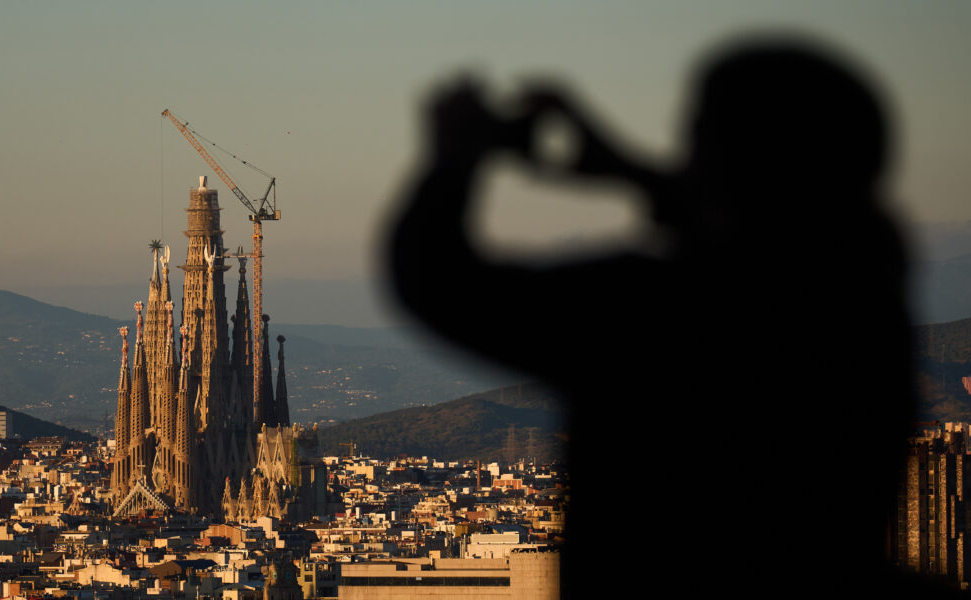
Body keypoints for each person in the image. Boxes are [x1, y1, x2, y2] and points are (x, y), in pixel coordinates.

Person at [388, 35, 942, 596]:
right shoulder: (861, 305)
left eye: (698, 137)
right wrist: (632, 171)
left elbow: (438, 280)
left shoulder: (656, 316)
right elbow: (775, 232)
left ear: (719, 156)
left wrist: (453, 160)